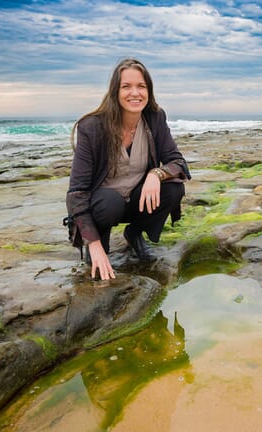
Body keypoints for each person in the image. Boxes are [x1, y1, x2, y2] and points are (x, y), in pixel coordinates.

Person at [66, 58, 190, 280]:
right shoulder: (92, 127)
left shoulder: (155, 118)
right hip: (103, 207)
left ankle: (134, 232)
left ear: (149, 91)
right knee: (109, 202)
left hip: (136, 200)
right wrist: (93, 244)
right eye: (126, 86)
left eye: (141, 86)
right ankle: (99, 244)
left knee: (173, 190)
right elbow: (76, 193)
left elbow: (177, 162)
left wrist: (156, 173)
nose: (135, 93)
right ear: (115, 91)